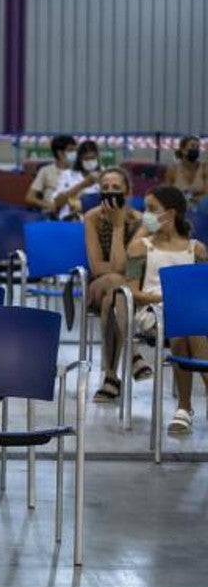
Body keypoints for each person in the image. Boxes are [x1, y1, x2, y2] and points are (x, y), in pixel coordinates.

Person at [121, 186, 208, 434]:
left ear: (169, 214)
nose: (144, 215)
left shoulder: (197, 249)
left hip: (190, 314)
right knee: (185, 323)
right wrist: (166, 296)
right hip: (152, 311)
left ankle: (184, 409)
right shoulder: (141, 247)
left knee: (187, 325)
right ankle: (184, 405)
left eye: (151, 209)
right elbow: (132, 292)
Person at [84, 168, 146, 402]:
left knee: (116, 292)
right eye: (105, 188)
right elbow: (97, 267)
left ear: (127, 192)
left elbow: (128, 270)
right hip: (96, 287)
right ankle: (134, 354)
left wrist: (120, 225)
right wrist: (117, 227)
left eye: (116, 188)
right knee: (112, 282)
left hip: (129, 290)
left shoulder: (141, 222)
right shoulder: (92, 218)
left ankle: (111, 378)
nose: (110, 193)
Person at [26, 134, 77, 214]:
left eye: (75, 150)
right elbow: (30, 197)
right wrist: (47, 205)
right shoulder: (45, 171)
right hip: (50, 215)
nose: (75, 154)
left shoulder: (79, 171)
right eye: (71, 150)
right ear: (60, 153)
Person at [51, 140, 101, 219]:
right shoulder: (67, 175)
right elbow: (57, 202)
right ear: (80, 160)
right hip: (70, 220)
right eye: (86, 159)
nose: (90, 162)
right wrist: (82, 185)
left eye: (92, 158)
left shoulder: (105, 175)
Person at [165, 135, 207, 204]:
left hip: (200, 208)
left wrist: (191, 200)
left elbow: (206, 194)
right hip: (179, 206)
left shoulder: (204, 168)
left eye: (198, 147)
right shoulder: (173, 169)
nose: (196, 149)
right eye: (193, 146)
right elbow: (168, 193)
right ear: (183, 150)